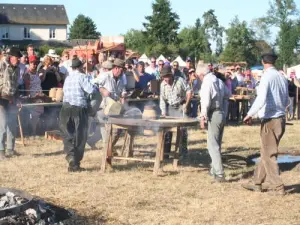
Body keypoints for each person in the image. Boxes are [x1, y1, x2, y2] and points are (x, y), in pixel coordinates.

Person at [242, 52, 288, 195]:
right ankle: (257, 182)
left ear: (263, 62)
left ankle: (277, 187)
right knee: (266, 152)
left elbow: (261, 99)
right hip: (280, 118)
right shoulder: (281, 76)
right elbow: (287, 100)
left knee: (269, 155)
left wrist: (249, 114)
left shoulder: (267, 77)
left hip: (270, 120)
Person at [59, 58, 97, 172]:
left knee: (68, 135)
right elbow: (91, 90)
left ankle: (71, 158)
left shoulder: (68, 78)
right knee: (80, 136)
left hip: (65, 108)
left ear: (72, 68)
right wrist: (95, 85)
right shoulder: (82, 77)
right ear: (80, 67)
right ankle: (76, 162)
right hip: (78, 109)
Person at [199, 63, 230, 182]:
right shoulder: (218, 81)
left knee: (212, 145)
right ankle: (213, 170)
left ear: (201, 74)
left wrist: (202, 117)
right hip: (221, 112)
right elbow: (228, 94)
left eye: (198, 75)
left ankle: (220, 174)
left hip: (214, 113)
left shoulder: (207, 82)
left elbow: (205, 101)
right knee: (216, 144)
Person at [160, 66, 192, 157]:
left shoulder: (180, 80)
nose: (165, 79)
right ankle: (166, 154)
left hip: (181, 106)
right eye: (164, 77)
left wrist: (187, 104)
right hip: (171, 107)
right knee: (168, 131)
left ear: (171, 75)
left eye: (167, 76)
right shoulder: (162, 85)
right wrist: (163, 111)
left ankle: (183, 153)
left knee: (183, 131)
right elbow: (162, 99)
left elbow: (189, 91)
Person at [93, 59, 127, 144]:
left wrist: (123, 95)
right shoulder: (105, 76)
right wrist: (102, 89)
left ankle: (109, 148)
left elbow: (122, 90)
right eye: (121, 70)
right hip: (103, 108)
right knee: (109, 131)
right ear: (116, 68)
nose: (122, 73)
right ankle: (108, 150)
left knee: (117, 130)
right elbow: (93, 84)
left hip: (115, 108)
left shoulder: (120, 79)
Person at [0, 47, 22, 159]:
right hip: (1, 98)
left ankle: (10, 149)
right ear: (11, 57)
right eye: (16, 58)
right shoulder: (2, 64)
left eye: (19, 58)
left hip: (12, 98)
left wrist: (17, 99)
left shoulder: (17, 69)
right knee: (3, 125)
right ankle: (1, 151)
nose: (18, 60)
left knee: (12, 124)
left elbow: (16, 85)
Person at [23, 55, 44, 136]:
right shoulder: (27, 74)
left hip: (40, 95)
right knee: (33, 115)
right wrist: (30, 98)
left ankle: (34, 131)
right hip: (33, 96)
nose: (34, 65)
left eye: (36, 63)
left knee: (37, 116)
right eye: (33, 63)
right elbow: (27, 87)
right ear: (29, 63)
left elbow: (39, 83)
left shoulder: (37, 73)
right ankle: (32, 132)